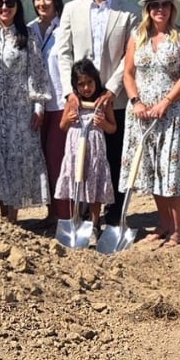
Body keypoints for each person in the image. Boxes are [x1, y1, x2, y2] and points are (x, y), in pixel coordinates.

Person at [56, 0, 139, 225]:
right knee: (82, 157)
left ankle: (113, 215)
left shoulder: (129, 12)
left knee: (114, 157)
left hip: (115, 100)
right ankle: (82, 214)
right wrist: (70, 93)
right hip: (81, 101)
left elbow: (130, 55)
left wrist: (112, 89)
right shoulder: (72, 10)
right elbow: (63, 53)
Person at [122, 0, 180, 248]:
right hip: (143, 116)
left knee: (171, 170)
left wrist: (166, 102)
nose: (160, 9)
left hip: (172, 115)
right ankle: (163, 222)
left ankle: (177, 229)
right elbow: (128, 73)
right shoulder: (137, 37)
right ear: (147, 8)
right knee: (152, 169)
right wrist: (136, 102)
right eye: (154, 4)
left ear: (171, 8)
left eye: (165, 4)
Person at [0, 0, 52, 224]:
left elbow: (36, 71)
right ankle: (4, 215)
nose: (4, 8)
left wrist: (39, 105)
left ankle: (14, 215)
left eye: (9, 2)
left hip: (20, 111)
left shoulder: (27, 35)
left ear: (17, 4)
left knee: (18, 162)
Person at [55, 59, 116, 232]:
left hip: (95, 151)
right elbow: (62, 126)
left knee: (95, 186)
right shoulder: (72, 102)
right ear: (75, 85)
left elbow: (113, 128)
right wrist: (68, 119)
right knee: (76, 183)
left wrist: (103, 123)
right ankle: (77, 218)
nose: (86, 88)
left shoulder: (103, 103)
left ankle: (94, 223)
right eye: (81, 84)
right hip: (75, 150)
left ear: (96, 80)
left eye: (90, 82)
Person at [29, 0, 67, 228]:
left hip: (61, 104)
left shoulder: (65, 27)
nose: (42, 3)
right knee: (42, 161)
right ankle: (51, 213)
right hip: (37, 106)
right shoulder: (29, 29)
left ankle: (66, 214)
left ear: (55, 0)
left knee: (59, 160)